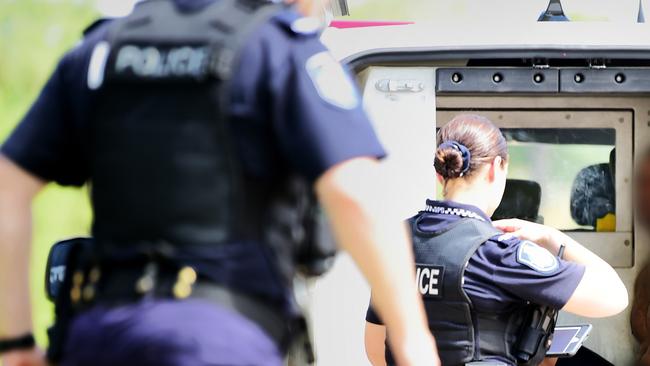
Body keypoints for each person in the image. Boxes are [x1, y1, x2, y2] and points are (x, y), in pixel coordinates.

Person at [0, 0, 440, 365]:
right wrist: (412, 340)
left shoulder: (99, 51)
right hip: (222, 338)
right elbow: (355, 193)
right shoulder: (277, 50)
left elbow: (7, 190)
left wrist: (15, 344)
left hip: (100, 337)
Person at [364, 114, 628, 366]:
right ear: (495, 168)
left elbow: (376, 348)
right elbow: (614, 297)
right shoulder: (497, 253)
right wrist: (552, 236)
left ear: (440, 173)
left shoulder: (398, 241)